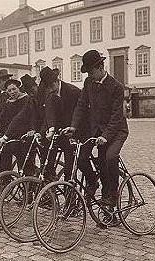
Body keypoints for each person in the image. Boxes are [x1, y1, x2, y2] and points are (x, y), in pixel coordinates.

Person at [63, 49, 129, 207]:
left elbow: (116, 116)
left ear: (100, 67)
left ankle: (112, 195)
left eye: (90, 72)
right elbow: (81, 105)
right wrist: (73, 126)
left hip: (117, 130)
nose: (88, 76)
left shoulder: (116, 87)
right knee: (81, 157)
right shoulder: (89, 83)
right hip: (97, 131)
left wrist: (106, 136)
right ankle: (93, 182)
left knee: (109, 158)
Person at [39, 66, 83, 182]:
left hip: (76, 131)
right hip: (61, 132)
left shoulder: (73, 91)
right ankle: (49, 184)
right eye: (47, 87)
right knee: (47, 151)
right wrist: (50, 130)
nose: (49, 89)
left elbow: (80, 114)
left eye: (51, 86)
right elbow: (49, 114)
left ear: (57, 81)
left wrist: (73, 129)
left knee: (70, 167)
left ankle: (71, 195)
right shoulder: (50, 94)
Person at [0, 79, 30, 172]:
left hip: (25, 133)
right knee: (3, 151)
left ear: (18, 88)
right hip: (12, 133)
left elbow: (19, 119)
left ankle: (30, 180)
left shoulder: (26, 99)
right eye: (9, 90)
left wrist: (6, 136)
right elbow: (2, 118)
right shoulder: (9, 102)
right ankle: (5, 179)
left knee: (25, 163)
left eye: (14, 89)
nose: (12, 92)